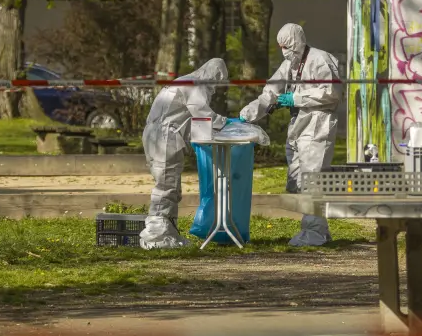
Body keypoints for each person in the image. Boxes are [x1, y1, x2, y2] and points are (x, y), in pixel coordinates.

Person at [240, 23, 342, 246]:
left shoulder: (320, 60)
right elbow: (272, 90)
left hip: (318, 124)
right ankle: (320, 230)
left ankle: (314, 233)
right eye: (281, 47)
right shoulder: (290, 64)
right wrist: (250, 113)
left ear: (297, 43)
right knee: (297, 178)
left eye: (287, 46)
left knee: (312, 178)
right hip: (299, 125)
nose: (284, 51)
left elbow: (332, 92)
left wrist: (294, 98)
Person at [139, 58, 235, 249]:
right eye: (216, 81)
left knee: (170, 184)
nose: (215, 88)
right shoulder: (194, 85)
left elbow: (193, 121)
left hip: (157, 135)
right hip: (164, 137)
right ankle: (155, 236)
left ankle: (168, 232)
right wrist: (227, 123)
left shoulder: (185, 82)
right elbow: (203, 113)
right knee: (166, 184)